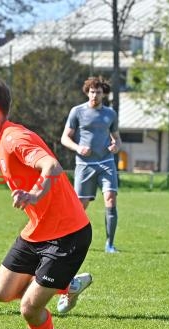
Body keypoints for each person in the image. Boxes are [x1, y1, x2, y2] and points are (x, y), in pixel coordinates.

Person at [0, 78, 93, 329]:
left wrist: (34, 195)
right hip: (38, 230)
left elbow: (51, 166)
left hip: (68, 234)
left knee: (29, 309)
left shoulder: (14, 138)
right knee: (0, 292)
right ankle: (66, 285)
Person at [61, 76, 122, 254]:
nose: (95, 95)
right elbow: (65, 138)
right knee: (80, 206)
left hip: (106, 163)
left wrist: (115, 146)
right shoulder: (77, 112)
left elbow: (117, 139)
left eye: (98, 92)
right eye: (92, 92)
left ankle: (110, 244)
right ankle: (69, 241)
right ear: (87, 92)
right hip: (84, 165)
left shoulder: (110, 114)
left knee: (111, 198)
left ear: (103, 94)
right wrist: (78, 148)